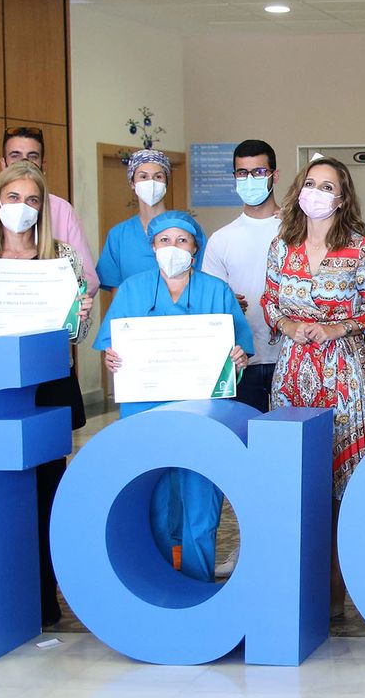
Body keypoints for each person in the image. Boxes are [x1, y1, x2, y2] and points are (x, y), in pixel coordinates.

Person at [0, 161, 95, 627]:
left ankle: (45, 604)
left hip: (46, 387)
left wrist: (81, 313)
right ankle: (2, 600)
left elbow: (77, 332)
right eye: (13, 199)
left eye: (32, 200)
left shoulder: (61, 256)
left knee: (47, 492)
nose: (22, 208)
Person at [261, 156, 365, 618]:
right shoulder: (282, 244)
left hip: (344, 373)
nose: (316, 192)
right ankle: (297, 588)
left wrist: (336, 328)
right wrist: (289, 324)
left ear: (342, 197)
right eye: (310, 183)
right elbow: (270, 301)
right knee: (297, 479)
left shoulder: (359, 247)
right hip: (294, 370)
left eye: (327, 186)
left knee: (343, 485)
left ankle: (337, 593)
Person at [94, 210, 252, 584]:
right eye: (164, 240)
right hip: (146, 413)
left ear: (195, 248)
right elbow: (111, 346)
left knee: (200, 502)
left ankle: (197, 585)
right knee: (156, 503)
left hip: (203, 414)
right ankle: (161, 583)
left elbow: (240, 347)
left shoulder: (216, 290)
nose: (173, 247)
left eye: (182, 240)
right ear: (153, 246)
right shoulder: (133, 289)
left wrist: (238, 357)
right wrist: (111, 356)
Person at [0, 125, 99, 293]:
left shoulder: (63, 210)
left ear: (43, 165)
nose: (24, 162)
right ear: (3, 163)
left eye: (32, 156)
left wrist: (67, 308)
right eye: (15, 156)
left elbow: (87, 279)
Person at [200, 139, 282, 414]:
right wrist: (226, 302)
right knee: (242, 439)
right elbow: (208, 304)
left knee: (291, 440)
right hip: (240, 358)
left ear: (274, 175)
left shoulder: (296, 232)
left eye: (258, 172)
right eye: (242, 173)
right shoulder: (221, 239)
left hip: (290, 355)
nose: (250, 179)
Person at [96, 148, 171, 290]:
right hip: (134, 312)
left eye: (158, 177)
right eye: (143, 177)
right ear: (132, 183)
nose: (151, 182)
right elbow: (116, 293)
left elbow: (203, 281)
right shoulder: (119, 235)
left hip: (183, 312)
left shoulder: (186, 230)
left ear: (166, 182)